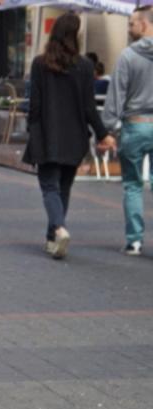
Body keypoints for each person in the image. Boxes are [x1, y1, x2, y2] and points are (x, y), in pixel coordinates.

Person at [23, 14, 112, 259]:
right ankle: (52, 239)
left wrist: (33, 131)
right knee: (63, 188)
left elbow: (35, 106)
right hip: (75, 137)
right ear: (75, 35)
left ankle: (59, 230)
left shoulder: (40, 63)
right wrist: (102, 134)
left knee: (49, 187)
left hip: (48, 135)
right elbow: (89, 108)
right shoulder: (84, 66)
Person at [104, 7, 153, 255]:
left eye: (132, 23)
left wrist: (110, 128)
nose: (129, 28)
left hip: (135, 124)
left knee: (132, 185)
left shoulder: (127, 57)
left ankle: (134, 240)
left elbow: (116, 96)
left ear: (145, 24)